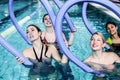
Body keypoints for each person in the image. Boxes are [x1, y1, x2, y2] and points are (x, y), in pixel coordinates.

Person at [41, 14, 76, 80]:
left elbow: (69, 44)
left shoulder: (59, 34)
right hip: (48, 54)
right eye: (46, 19)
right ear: (43, 22)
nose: (48, 20)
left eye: (50, 18)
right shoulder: (42, 35)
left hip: (59, 52)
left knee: (63, 68)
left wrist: (72, 34)